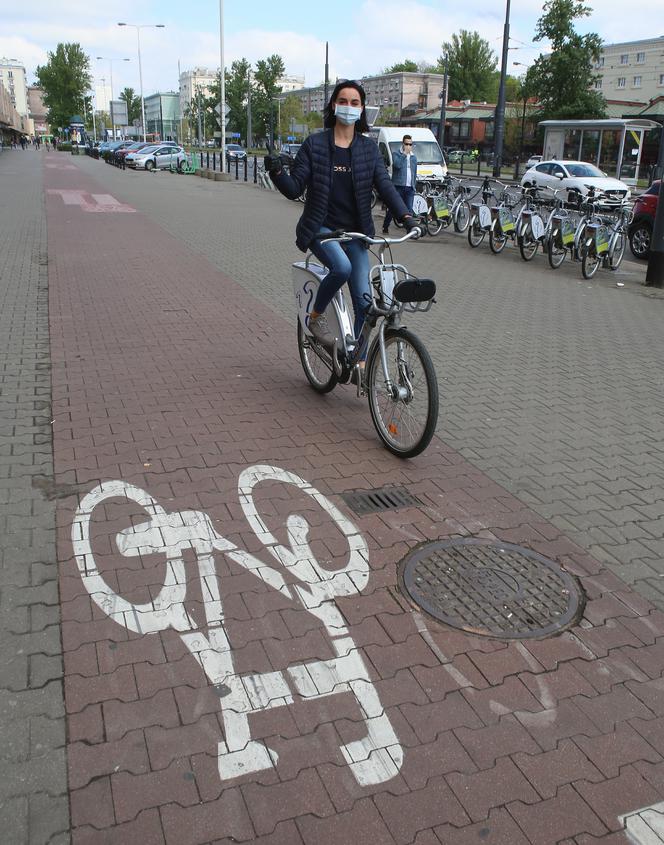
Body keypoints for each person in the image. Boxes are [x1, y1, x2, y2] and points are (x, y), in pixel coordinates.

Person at [264, 79, 419, 353]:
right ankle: (315, 316)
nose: (349, 107)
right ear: (334, 106)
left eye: (355, 103)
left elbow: (385, 185)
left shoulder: (368, 149)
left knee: (365, 304)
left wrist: (407, 216)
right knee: (342, 268)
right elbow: (294, 188)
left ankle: (357, 362)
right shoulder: (315, 145)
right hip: (321, 229)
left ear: (361, 110)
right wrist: (277, 172)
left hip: (356, 234)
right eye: (343, 101)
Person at [383, 134, 417, 234]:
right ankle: (385, 226)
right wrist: (404, 155)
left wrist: (414, 185)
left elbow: (414, 172)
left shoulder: (413, 157)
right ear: (403, 144)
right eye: (406, 144)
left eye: (410, 144)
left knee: (409, 209)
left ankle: (409, 229)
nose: (408, 146)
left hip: (409, 187)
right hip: (398, 186)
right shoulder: (396, 154)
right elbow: (397, 165)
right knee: (393, 208)